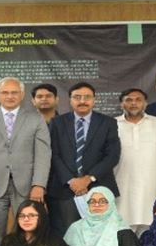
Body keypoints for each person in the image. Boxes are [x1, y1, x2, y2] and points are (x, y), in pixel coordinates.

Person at [0, 77, 51, 246]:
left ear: (22, 94)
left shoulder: (36, 119)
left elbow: (43, 155)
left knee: (28, 230)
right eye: (5, 92)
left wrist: (38, 185)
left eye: (14, 92)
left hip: (27, 186)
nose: (10, 96)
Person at [47, 81, 121, 236]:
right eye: (77, 97)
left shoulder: (108, 122)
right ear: (70, 100)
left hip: (99, 188)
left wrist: (88, 178)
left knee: (101, 235)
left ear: (94, 100)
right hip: (65, 190)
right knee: (67, 235)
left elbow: (112, 155)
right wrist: (71, 180)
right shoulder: (57, 122)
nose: (82, 101)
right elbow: (53, 154)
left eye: (87, 97)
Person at [115, 88, 156, 230]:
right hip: (122, 188)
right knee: (123, 230)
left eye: (138, 100)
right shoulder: (112, 124)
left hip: (152, 186)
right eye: (129, 100)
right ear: (121, 104)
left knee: (151, 227)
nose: (134, 103)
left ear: (145, 104)